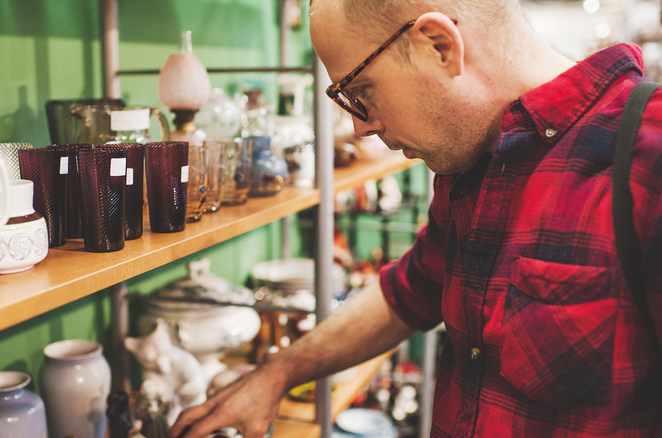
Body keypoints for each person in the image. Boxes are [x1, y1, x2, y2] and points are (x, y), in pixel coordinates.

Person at [170, 0, 662, 436]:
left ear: (438, 45)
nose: (361, 126)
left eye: (360, 90)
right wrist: (276, 375)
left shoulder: (648, 157)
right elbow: (410, 289)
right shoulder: (475, 157)